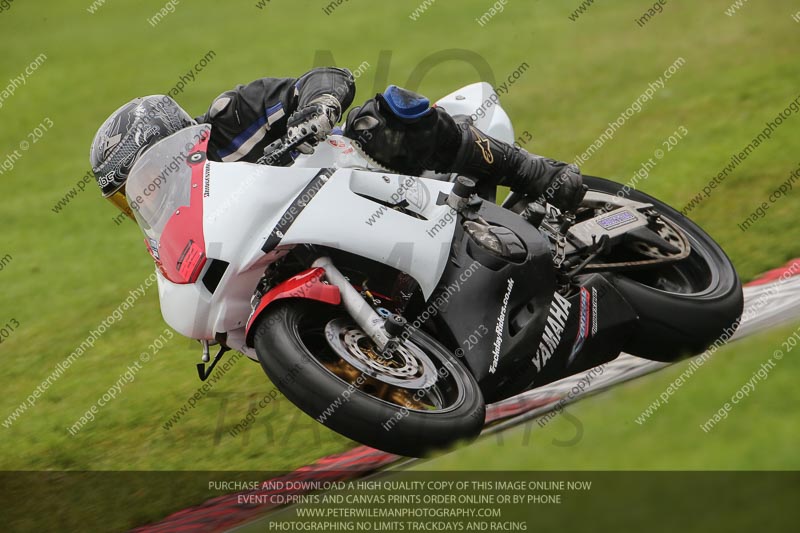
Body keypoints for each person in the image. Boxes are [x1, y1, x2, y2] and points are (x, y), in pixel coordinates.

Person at [89, 67, 584, 218]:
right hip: (308, 236)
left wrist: (319, 107)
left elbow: (326, 77)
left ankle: (533, 172)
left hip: (359, 176)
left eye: (144, 182)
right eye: (127, 201)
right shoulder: (184, 228)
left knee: (378, 120)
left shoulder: (231, 116)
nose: (143, 201)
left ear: (172, 147)